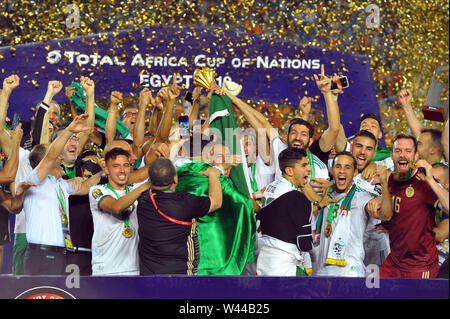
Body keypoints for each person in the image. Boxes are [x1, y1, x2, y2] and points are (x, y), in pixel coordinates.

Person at [18, 114, 101, 275]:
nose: (60, 155)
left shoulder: (61, 184)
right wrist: (69, 130)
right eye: (55, 153)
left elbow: (84, 186)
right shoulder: (34, 179)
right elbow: (50, 156)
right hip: (39, 254)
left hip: (61, 253)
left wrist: (105, 172)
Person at [379, 134, 449, 278]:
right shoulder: (389, 180)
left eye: (408, 151)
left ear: (416, 156)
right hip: (394, 263)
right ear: (392, 155)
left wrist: (430, 179)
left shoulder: (425, 182)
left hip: (421, 266)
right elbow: (386, 217)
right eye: (398, 151)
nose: (402, 155)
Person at [137, 158, 222, 275]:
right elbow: (216, 202)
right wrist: (213, 175)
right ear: (175, 179)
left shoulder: (143, 200)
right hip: (181, 276)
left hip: (149, 277)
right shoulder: (186, 202)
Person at [256, 148, 332, 276]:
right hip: (284, 267)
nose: (309, 169)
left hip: (264, 261)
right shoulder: (299, 198)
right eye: (303, 165)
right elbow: (304, 243)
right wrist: (316, 255)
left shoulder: (270, 188)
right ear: (289, 171)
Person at [315, 151, 389, 277]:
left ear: (355, 173)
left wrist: (384, 187)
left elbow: (385, 215)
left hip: (350, 272)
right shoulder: (325, 197)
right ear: (332, 170)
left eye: (347, 167)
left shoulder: (361, 196)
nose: (342, 171)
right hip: (323, 271)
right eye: (338, 166)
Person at [88, 147, 150, 276]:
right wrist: (144, 186)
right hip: (106, 268)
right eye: (116, 166)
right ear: (106, 169)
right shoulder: (97, 190)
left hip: (133, 267)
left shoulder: (134, 190)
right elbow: (117, 206)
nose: (122, 170)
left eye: (126, 166)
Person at [349, 130, 390, 267]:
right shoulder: (339, 172)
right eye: (359, 146)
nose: (362, 152)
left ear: (374, 153)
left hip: (376, 248)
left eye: (368, 148)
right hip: (347, 250)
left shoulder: (381, 175)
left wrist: (383, 197)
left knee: (376, 287)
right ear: (351, 146)